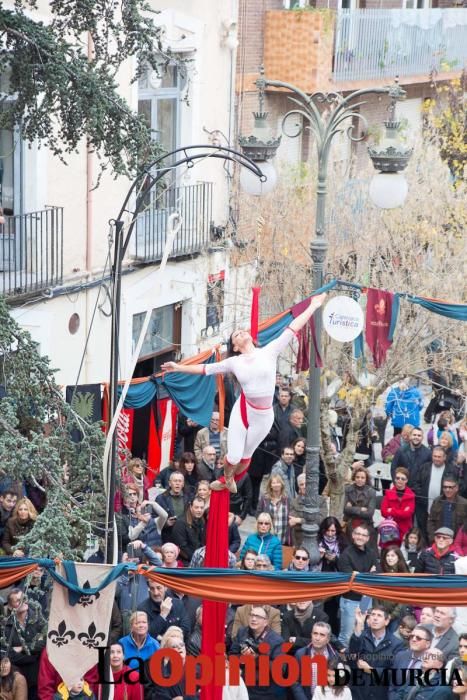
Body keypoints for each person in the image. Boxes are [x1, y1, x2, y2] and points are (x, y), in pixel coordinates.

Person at [161, 293, 326, 492]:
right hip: (244, 408)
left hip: (264, 415)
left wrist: (313, 306)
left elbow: (293, 328)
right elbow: (205, 369)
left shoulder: (269, 351)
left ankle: (225, 481)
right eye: (236, 335)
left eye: (241, 331)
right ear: (236, 347)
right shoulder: (234, 362)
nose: (240, 333)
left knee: (247, 455)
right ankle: (227, 478)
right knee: (233, 456)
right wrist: (178, 367)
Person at [347, 606, 404, 700]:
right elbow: (351, 658)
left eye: (379, 615)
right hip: (358, 693)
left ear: (386, 621)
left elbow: (395, 673)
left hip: (380, 694)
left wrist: (371, 670)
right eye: (372, 615)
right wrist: (359, 625)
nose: (375, 618)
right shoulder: (360, 637)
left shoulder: (397, 644)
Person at [229, 605, 285, 700]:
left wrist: (256, 659)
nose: (254, 619)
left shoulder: (276, 640)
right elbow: (232, 655)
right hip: (242, 685)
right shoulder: (242, 632)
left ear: (266, 622)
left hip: (264, 690)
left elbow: (280, 669)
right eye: (252, 615)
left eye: (258, 617)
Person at [337, 524, 378, 650]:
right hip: (350, 599)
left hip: (366, 598)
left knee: (363, 631)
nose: (360, 537)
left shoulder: (371, 553)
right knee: (347, 634)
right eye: (358, 534)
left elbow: (376, 573)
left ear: (368, 538)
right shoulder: (346, 554)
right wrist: (367, 575)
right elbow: (351, 579)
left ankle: (357, 660)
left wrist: (360, 575)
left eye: (364, 535)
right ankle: (343, 663)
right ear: (353, 535)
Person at [413, 447, 456, 541]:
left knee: (438, 533)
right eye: (434, 456)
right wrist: (421, 497)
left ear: (444, 457)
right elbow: (416, 483)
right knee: (423, 532)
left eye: (439, 457)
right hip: (424, 506)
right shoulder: (424, 467)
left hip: (442, 508)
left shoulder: (452, 470)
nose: (436, 459)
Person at [380, 467, 415, 546]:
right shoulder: (388, 493)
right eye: (398, 478)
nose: (400, 480)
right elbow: (383, 512)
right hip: (389, 530)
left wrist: (391, 510)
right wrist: (402, 511)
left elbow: (408, 514)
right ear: (394, 479)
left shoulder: (411, 495)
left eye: (403, 479)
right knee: (388, 553)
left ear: (407, 480)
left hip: (404, 530)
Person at [427, 476, 467, 543]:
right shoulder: (437, 501)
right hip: (439, 540)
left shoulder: (464, 503)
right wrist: (433, 539)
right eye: (445, 487)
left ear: (456, 488)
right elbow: (431, 521)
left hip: (457, 542)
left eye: (450, 487)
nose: (447, 490)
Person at [256, 473, 291, 545]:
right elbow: (258, 514)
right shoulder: (265, 499)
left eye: (278, 482)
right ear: (270, 485)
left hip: (283, 538)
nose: (276, 485)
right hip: (268, 537)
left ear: (281, 484)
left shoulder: (287, 499)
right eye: (274, 483)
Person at [343, 467, 376, 542]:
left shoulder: (371, 492)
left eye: (362, 477)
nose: (360, 479)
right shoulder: (348, 489)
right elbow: (345, 509)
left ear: (366, 479)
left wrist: (351, 509)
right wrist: (360, 509)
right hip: (350, 523)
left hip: (366, 524)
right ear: (354, 477)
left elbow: (369, 513)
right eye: (357, 477)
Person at [155, 471, 190, 544]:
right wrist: (166, 523)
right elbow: (153, 520)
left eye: (180, 481)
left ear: (183, 484)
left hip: (185, 537)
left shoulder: (189, 498)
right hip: (167, 537)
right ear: (170, 483)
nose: (177, 483)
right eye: (175, 481)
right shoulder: (160, 499)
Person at [171, 497, 206, 565]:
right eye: (196, 507)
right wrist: (196, 558)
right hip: (185, 562)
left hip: (199, 559)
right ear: (191, 507)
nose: (199, 510)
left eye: (202, 508)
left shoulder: (202, 521)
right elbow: (182, 546)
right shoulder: (180, 523)